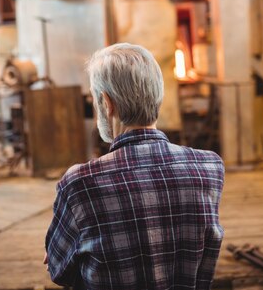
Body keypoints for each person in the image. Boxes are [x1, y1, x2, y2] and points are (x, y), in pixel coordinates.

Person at [45, 43, 225, 289]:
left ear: (107, 104)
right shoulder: (209, 167)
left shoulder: (79, 183)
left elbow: (58, 270)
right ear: (158, 96)